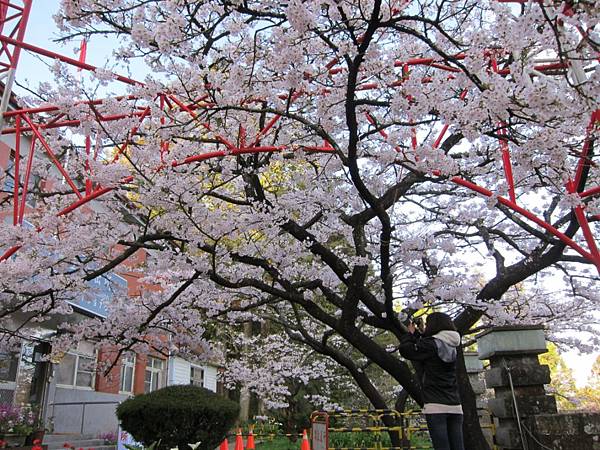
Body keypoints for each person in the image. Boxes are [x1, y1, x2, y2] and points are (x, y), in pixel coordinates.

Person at [399, 312, 465, 450]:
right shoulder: (454, 344)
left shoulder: (431, 344)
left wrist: (410, 335)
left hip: (436, 404)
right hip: (455, 405)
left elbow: (408, 350)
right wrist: (418, 334)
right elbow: (429, 346)